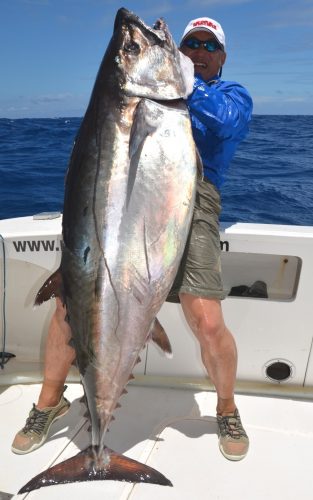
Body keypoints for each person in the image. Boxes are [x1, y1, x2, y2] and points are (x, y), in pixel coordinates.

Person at [12, 16, 253, 461]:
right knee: (71, 306)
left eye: (208, 46)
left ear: (221, 57)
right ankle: (49, 403)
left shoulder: (230, 95)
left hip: (191, 207)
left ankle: (226, 408)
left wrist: (173, 77)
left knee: (207, 320)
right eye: (190, 45)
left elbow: (226, 124)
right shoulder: (146, 92)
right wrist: (160, 72)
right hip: (125, 204)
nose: (199, 51)